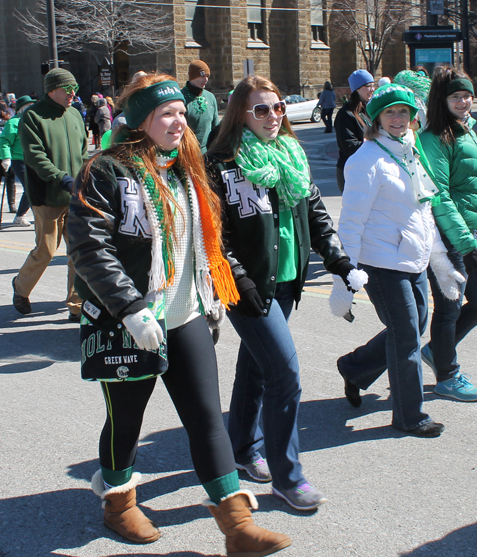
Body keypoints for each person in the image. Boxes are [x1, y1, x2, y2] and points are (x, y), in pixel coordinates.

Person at [68, 72, 291, 556]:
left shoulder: (188, 168)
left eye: (182, 114)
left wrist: (232, 282)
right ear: (141, 120)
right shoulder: (106, 171)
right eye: (166, 114)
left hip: (186, 314)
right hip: (127, 321)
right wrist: (129, 308)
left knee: (207, 419)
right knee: (126, 421)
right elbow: (89, 246)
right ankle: (118, 502)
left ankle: (237, 526)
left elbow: (209, 241)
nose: (179, 121)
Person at [206, 75, 359, 510]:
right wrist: (240, 280)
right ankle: (288, 477)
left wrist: (339, 261)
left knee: (257, 366)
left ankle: (241, 448)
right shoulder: (221, 163)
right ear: (240, 113)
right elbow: (215, 236)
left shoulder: (289, 155)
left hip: (288, 281)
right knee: (285, 375)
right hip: (247, 285)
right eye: (261, 109)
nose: (273, 116)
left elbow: (315, 211)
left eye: (276, 108)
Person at [336, 83, 465, 437]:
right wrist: (344, 277)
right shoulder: (366, 160)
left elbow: (423, 210)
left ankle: (355, 367)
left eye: (404, 112)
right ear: (376, 117)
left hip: (414, 258)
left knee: (413, 325)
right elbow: (351, 222)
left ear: (413, 117)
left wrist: (438, 258)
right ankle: (410, 416)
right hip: (381, 263)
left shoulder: (411, 151)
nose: (398, 118)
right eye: (390, 112)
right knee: (407, 334)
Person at [419, 66, 477, 401]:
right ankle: (447, 375)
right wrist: (466, 242)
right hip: (444, 237)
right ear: (443, 99)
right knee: (449, 307)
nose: (464, 101)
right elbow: (440, 195)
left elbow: (473, 192)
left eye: (467, 94)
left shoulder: (467, 131)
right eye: (456, 96)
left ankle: (437, 351)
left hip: (467, 233)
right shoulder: (435, 138)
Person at [13, 68, 86, 321]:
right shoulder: (32, 116)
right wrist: (61, 178)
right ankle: (21, 287)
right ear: (52, 90)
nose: (72, 93)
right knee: (45, 250)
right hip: (47, 196)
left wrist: (87, 175)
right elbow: (35, 157)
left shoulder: (75, 114)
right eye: (67, 89)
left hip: (76, 197)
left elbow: (83, 151)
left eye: (74, 88)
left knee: (78, 251)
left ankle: (76, 305)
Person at [334, 70, 374, 193]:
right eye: (368, 86)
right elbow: (349, 146)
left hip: (367, 169)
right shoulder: (345, 114)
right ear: (357, 89)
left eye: (373, 85)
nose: (372, 89)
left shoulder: (368, 110)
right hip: (351, 172)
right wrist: (375, 143)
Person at [0, 95, 35, 226]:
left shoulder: (33, 121)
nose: (31, 108)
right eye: (28, 106)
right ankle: (24, 215)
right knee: (30, 186)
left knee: (33, 187)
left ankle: (20, 216)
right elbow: (4, 141)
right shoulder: (13, 122)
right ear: (21, 108)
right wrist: (6, 157)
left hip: (32, 159)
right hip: (18, 159)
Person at [182, 60, 219, 153]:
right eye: (202, 76)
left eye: (207, 76)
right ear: (193, 76)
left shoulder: (210, 97)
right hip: (187, 153)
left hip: (208, 152)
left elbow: (216, 127)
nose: (206, 79)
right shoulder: (180, 98)